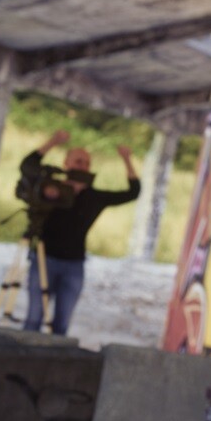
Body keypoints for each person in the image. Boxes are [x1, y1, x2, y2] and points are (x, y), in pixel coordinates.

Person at [19, 132, 138, 335]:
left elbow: (133, 192)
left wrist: (127, 159)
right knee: (34, 318)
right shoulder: (51, 188)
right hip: (44, 258)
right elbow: (28, 166)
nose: (82, 166)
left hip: (74, 265)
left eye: (86, 163)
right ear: (66, 163)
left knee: (61, 324)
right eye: (78, 161)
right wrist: (53, 142)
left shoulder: (94, 197)